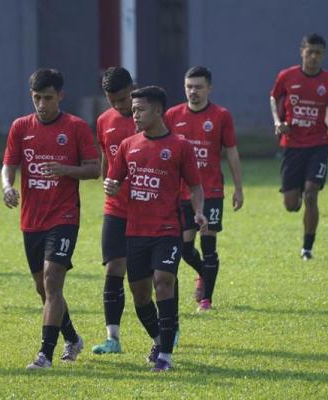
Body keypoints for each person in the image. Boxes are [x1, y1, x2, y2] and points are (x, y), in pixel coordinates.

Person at [1, 68, 100, 369]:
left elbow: (95, 169)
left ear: (60, 96)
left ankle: (44, 353)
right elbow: (9, 164)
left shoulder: (76, 127)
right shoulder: (20, 127)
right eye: (36, 98)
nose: (42, 104)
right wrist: (7, 185)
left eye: (47, 98)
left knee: (52, 279)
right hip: (32, 219)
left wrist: (65, 169)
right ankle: (72, 337)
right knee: (43, 289)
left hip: (64, 216)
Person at [104, 86, 207, 372]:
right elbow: (113, 181)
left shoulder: (180, 146)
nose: (134, 114)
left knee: (164, 281)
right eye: (133, 109)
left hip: (167, 229)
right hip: (136, 231)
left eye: (140, 109)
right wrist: (110, 187)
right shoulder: (128, 145)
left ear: (159, 111)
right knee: (140, 294)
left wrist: (198, 212)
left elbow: (196, 186)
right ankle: (161, 338)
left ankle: (165, 356)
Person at [166, 66, 243, 312]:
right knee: (185, 248)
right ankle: (203, 274)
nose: (193, 91)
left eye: (198, 87)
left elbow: (231, 152)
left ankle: (206, 299)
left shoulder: (221, 116)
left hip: (211, 192)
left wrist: (238, 188)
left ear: (209, 88)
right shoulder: (172, 115)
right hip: (181, 194)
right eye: (189, 86)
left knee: (208, 246)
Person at [269, 33, 328, 260]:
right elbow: (274, 98)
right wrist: (278, 122)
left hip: (318, 145)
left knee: (312, 195)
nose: (314, 56)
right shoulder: (287, 76)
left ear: (323, 55)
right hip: (292, 145)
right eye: (310, 51)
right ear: (302, 51)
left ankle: (307, 248)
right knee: (292, 204)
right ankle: (299, 189)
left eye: (318, 53)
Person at [91, 67, 136, 354]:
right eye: (113, 100)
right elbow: (107, 160)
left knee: (154, 277)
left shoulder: (151, 116)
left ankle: (168, 328)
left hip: (149, 208)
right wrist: (109, 183)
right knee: (113, 268)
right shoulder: (103, 121)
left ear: (133, 88)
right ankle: (113, 338)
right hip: (116, 207)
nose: (119, 106)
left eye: (124, 99)